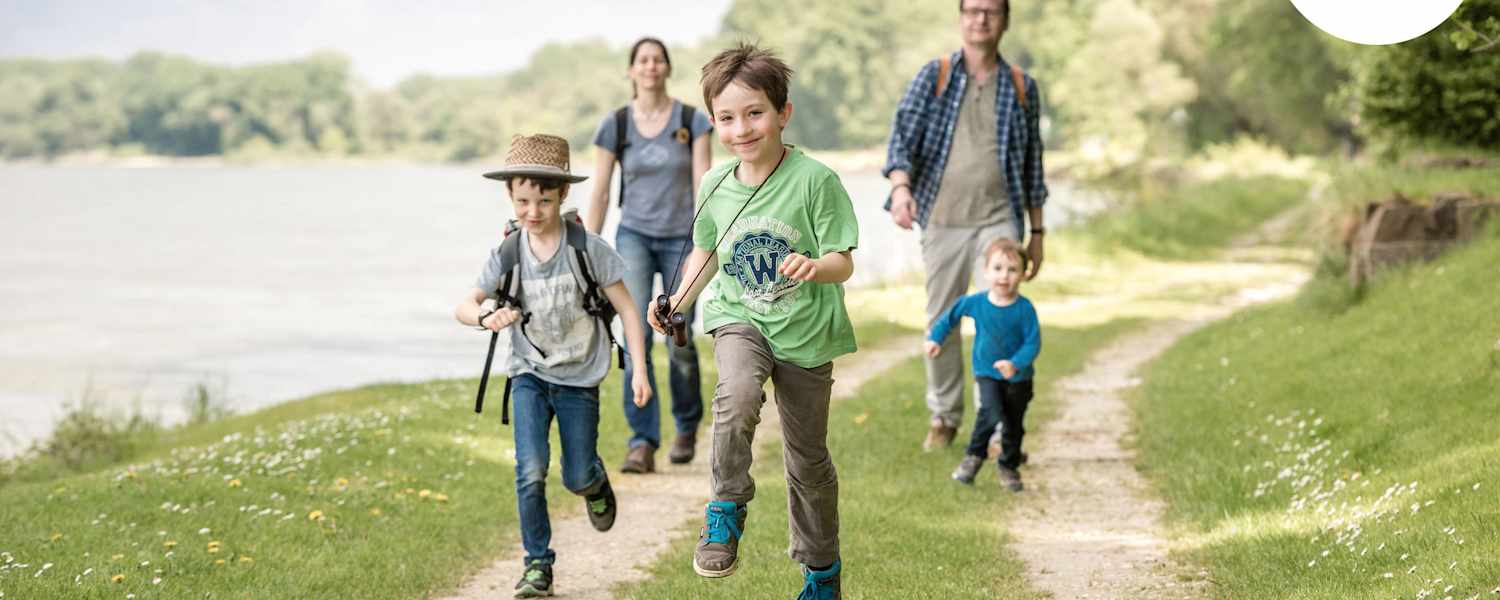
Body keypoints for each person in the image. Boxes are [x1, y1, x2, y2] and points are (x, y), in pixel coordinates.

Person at [649, 43, 855, 600]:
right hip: (741, 317)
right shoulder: (715, 183)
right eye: (727, 117)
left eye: (755, 113)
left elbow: (844, 261)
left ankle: (821, 573)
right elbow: (706, 252)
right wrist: (677, 302)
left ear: (783, 113)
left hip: (806, 334)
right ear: (714, 122)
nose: (742, 128)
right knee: (737, 393)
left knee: (808, 461)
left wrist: (816, 266)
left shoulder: (816, 180)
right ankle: (726, 507)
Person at [454, 133, 653, 599]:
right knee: (529, 468)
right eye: (523, 201)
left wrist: (639, 370)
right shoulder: (507, 252)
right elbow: (465, 304)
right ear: (511, 196)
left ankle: (595, 482)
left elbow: (627, 307)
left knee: (576, 474)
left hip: (580, 378)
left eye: (544, 201)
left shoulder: (588, 247)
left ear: (563, 195)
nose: (533, 212)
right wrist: (486, 317)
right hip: (528, 374)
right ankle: (538, 566)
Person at [883, 0, 1049, 451]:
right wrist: (901, 190)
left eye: (991, 11)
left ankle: (993, 422)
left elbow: (1034, 164)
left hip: (999, 217)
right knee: (943, 319)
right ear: (961, 18)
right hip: (942, 219)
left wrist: (1037, 234)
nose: (981, 18)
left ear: (1005, 21)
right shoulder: (934, 76)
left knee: (996, 320)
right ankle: (944, 416)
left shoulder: (1020, 87)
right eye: (972, 10)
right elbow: (901, 140)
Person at [587, 37, 715, 474]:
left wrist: (706, 234)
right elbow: (601, 190)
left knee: (678, 335)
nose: (651, 66)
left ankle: (685, 427)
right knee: (634, 333)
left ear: (666, 68)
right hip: (634, 237)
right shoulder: (616, 124)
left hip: (684, 239)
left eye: (658, 59)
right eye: (643, 60)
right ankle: (642, 441)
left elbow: (704, 184)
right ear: (632, 70)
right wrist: (588, 246)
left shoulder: (692, 120)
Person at [924, 239, 1040, 492]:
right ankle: (973, 457)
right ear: (986, 271)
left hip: (1019, 379)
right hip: (987, 373)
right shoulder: (976, 302)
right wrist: (936, 338)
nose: (1004, 276)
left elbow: (1033, 343)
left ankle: (1008, 467)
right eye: (997, 268)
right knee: (989, 410)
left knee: (1013, 424)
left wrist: (1015, 363)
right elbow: (951, 316)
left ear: (1023, 274)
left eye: (1012, 270)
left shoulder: (1024, 309)